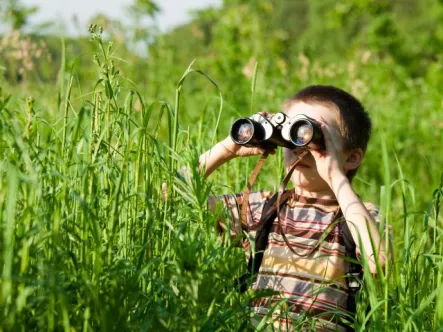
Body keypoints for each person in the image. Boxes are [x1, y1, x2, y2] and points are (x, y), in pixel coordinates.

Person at [199, 85, 388, 331]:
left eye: (315, 136)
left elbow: (380, 262)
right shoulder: (262, 208)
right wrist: (227, 148)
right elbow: (169, 193)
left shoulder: (360, 216)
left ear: (351, 157)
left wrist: (335, 176)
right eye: (292, 133)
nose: (300, 148)